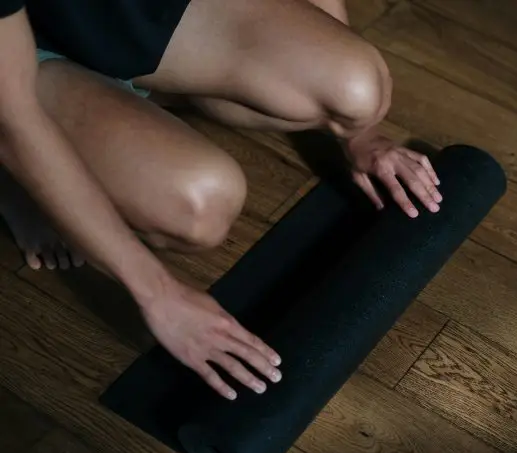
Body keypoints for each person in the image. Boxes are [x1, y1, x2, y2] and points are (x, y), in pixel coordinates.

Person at [0, 0, 442, 401]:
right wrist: (159, 295)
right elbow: (14, 122)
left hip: (115, 16)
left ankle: (137, 97)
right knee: (198, 206)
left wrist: (359, 133)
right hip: (18, 63)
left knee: (355, 90)